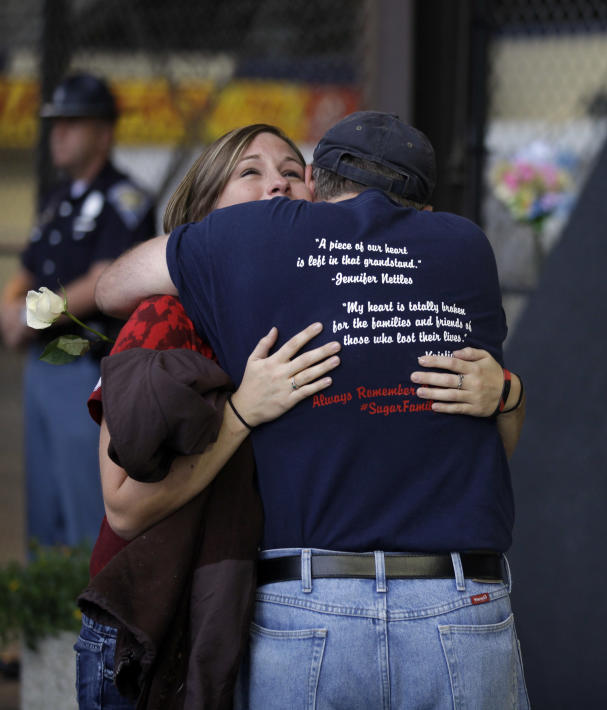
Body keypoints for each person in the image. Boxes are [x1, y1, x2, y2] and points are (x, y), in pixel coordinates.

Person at [96, 111, 529, 709]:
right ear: (423, 209)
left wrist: (211, 253)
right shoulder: (466, 247)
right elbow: (493, 445)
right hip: (459, 599)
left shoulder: (251, 236)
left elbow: (111, 287)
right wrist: (510, 392)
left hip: (306, 600)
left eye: (289, 172)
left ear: (316, 189)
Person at [0, 72, 155, 548]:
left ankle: (85, 621)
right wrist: (10, 308)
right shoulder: (57, 200)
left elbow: (103, 282)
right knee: (42, 509)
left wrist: (32, 315)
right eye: (55, 122)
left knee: (84, 509)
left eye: (72, 122)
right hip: (40, 366)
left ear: (103, 133)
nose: (58, 133)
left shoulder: (125, 200)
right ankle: (48, 620)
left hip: (82, 362)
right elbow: (27, 270)